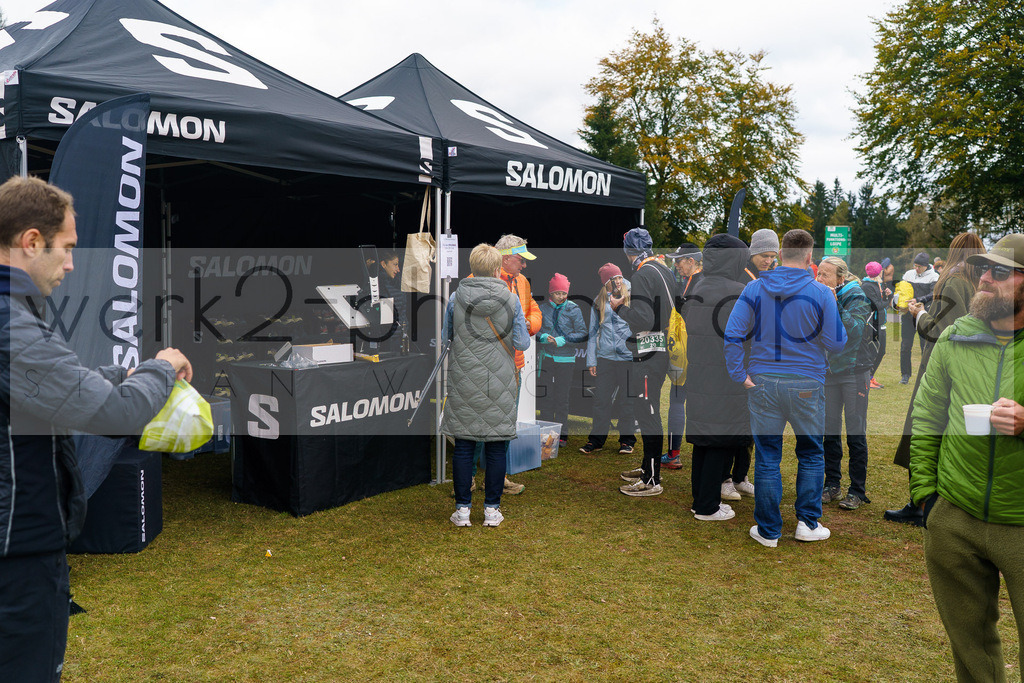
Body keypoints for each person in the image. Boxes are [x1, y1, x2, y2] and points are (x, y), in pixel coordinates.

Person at [0, 176, 193, 681]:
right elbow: (115, 414)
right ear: (31, 241)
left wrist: (121, 373)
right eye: (65, 249)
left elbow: (47, 387)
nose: (70, 264)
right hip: (17, 547)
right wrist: (162, 368)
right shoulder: (9, 320)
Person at [909, 233, 1024, 681]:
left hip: (1019, 519)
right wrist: (927, 498)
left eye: (1000, 272)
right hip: (955, 515)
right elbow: (926, 417)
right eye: (984, 270)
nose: (985, 280)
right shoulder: (956, 337)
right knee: (972, 654)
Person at [724, 229, 847, 547]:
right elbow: (836, 343)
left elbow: (733, 333)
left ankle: (769, 530)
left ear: (780, 254)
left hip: (764, 381)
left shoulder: (756, 287)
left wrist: (740, 374)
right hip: (805, 382)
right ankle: (807, 522)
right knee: (809, 452)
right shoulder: (820, 293)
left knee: (768, 456)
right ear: (810, 259)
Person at [885, 232, 984, 526]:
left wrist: (919, 313)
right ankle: (929, 502)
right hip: (968, 365)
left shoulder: (954, 280)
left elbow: (939, 331)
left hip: (942, 365)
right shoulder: (977, 281)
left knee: (924, 431)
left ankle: (923, 504)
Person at [442, 244, 530, 528]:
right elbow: (522, 343)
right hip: (501, 380)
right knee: (496, 445)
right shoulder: (511, 299)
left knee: (464, 446)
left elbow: (447, 338)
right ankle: (492, 510)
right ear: (496, 269)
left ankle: (463, 510)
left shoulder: (456, 297)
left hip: (464, 377)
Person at [683, 234, 752, 521]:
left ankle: (701, 496)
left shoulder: (696, 288)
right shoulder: (741, 291)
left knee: (703, 437)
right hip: (727, 376)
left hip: (699, 373)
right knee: (719, 440)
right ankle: (707, 506)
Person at [612, 228, 674, 497]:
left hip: (649, 355)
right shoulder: (663, 269)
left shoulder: (642, 273)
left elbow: (644, 320)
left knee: (647, 415)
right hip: (659, 351)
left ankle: (652, 479)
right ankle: (648, 466)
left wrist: (619, 308)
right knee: (647, 411)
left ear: (629, 252)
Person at [817, 257, 873, 511]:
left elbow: (853, 331)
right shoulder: (823, 295)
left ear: (840, 279)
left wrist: (835, 303)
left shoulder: (856, 296)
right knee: (829, 430)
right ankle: (832, 484)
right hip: (830, 372)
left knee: (855, 432)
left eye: (825, 275)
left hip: (854, 372)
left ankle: (857, 490)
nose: (820, 279)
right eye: (818, 274)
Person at [494, 234, 543, 495]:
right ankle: (468, 479)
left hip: (514, 363)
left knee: (506, 423)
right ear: (505, 258)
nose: (524, 265)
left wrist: (529, 325)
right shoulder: (482, 280)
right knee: (480, 422)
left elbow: (534, 310)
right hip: (489, 364)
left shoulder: (522, 282)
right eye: (521, 260)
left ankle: (499, 478)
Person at [580, 263, 637, 456]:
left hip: (628, 358)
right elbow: (592, 332)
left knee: (627, 401)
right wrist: (591, 360)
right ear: (607, 283)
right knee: (601, 401)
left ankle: (627, 441)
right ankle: (596, 441)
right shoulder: (599, 301)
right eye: (615, 279)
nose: (619, 281)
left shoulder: (632, 294)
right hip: (605, 358)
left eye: (620, 277)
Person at [661, 243, 702, 469]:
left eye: (679, 260)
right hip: (688, 354)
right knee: (680, 402)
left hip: (689, 356)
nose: (676, 265)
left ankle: (675, 454)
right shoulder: (689, 282)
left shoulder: (698, 283)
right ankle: (675, 453)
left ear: (692, 261)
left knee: (678, 401)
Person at [537, 273, 587, 445]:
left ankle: (562, 434)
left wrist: (563, 340)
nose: (561, 297)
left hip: (566, 361)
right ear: (550, 293)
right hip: (547, 359)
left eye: (564, 293)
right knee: (546, 397)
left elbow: (581, 333)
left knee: (562, 398)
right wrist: (542, 337)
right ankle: (545, 434)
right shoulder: (543, 308)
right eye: (558, 293)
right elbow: (535, 329)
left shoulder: (573, 309)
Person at [897, 252, 938, 383]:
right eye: (915, 265)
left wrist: (919, 299)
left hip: (923, 315)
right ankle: (905, 375)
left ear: (926, 266)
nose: (916, 268)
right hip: (908, 316)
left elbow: (934, 294)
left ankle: (925, 375)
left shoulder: (934, 276)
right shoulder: (908, 274)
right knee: (905, 346)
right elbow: (901, 290)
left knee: (924, 347)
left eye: (919, 266)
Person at [861, 261, 889, 389]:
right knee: (872, 352)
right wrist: (886, 301)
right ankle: (866, 379)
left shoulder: (878, 284)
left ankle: (870, 377)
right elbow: (877, 305)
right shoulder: (867, 286)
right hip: (872, 324)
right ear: (878, 272)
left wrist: (889, 295)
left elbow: (883, 302)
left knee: (881, 352)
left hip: (881, 323)